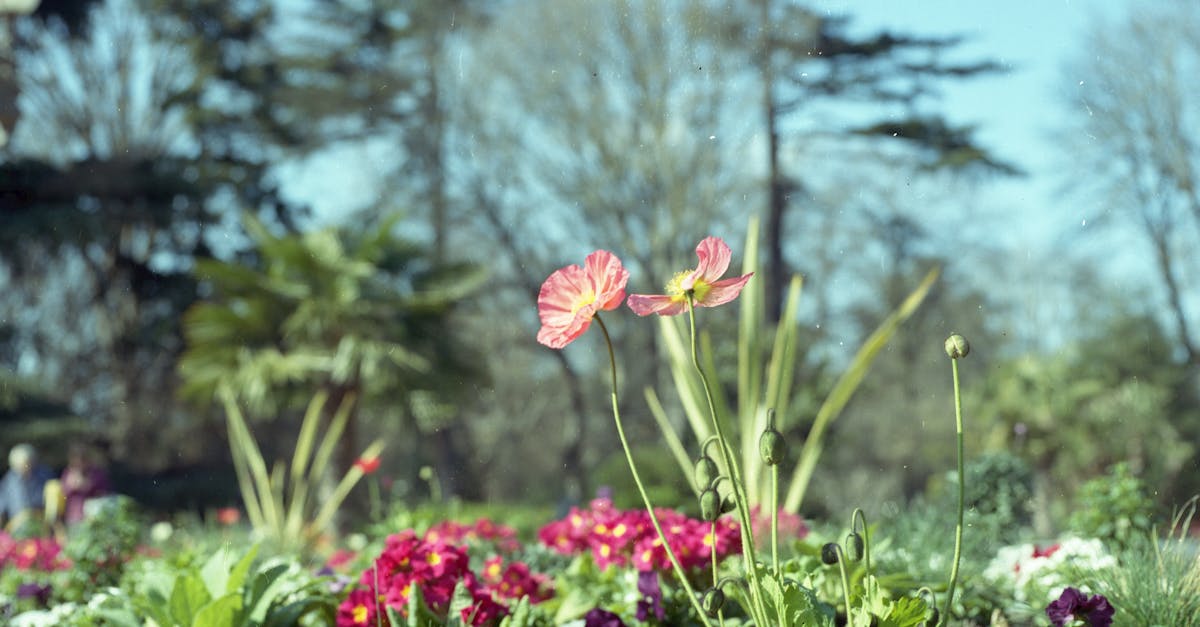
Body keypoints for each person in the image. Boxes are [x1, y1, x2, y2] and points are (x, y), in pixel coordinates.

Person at [0, 443, 54, 530]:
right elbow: (1, 508)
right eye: (22, 465)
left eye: (29, 463)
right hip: (17, 528)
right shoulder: (9, 481)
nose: (26, 467)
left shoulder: (44, 476)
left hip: (42, 526)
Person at [61, 441, 111, 525]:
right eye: (76, 459)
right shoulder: (68, 473)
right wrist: (71, 486)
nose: (79, 463)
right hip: (74, 516)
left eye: (82, 459)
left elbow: (105, 492)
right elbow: (64, 494)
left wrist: (88, 486)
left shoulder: (96, 473)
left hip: (93, 517)